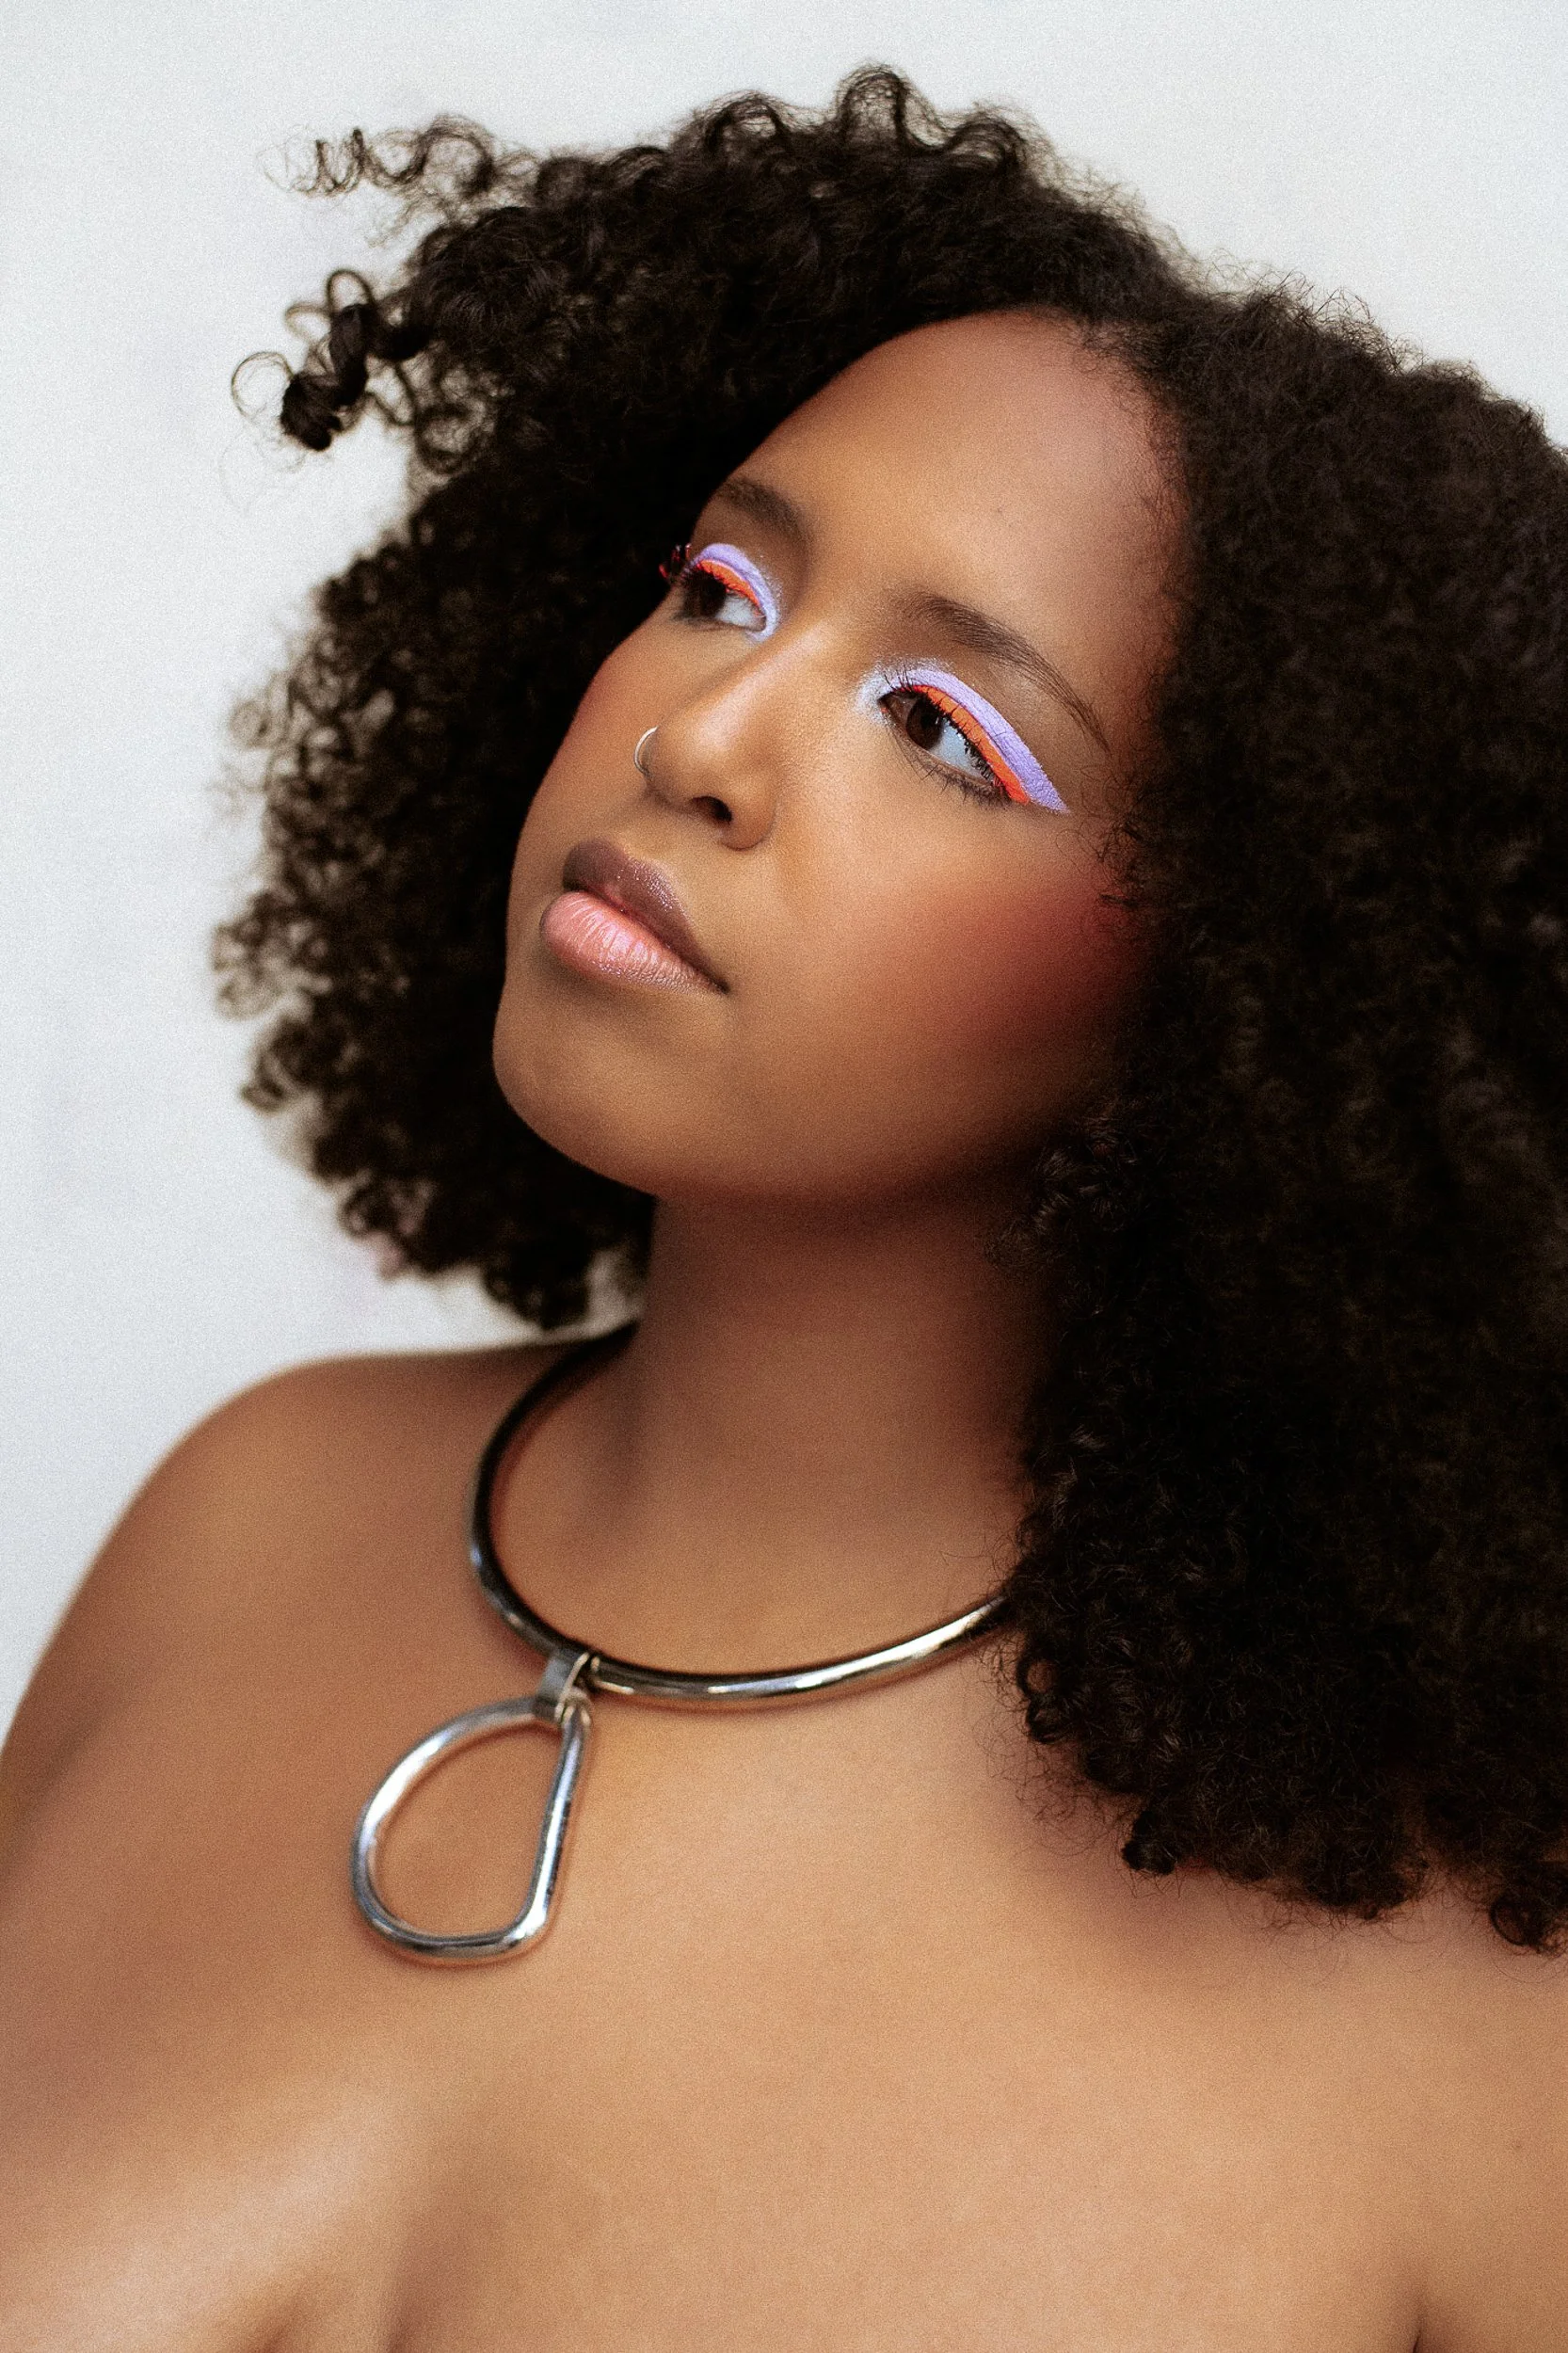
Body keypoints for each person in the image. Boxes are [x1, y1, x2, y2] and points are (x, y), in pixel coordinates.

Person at [2, 64, 1566, 2347]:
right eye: (719, 584)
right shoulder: (245, 1520)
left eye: (946, 730)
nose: (702, 733)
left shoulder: (1466, 1994)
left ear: (1251, 981)